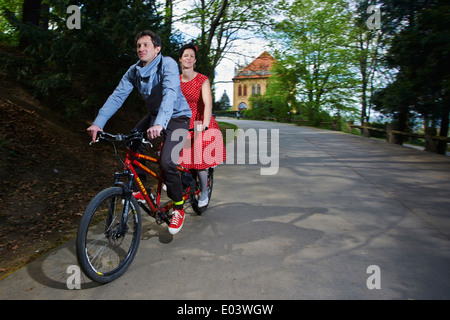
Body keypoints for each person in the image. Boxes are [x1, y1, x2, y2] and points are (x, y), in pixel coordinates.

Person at [86, 30, 192, 235]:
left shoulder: (167, 64)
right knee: (132, 143)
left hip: (178, 117)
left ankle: (178, 207)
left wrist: (160, 124)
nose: (141, 49)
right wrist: (98, 123)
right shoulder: (134, 71)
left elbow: (170, 93)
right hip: (155, 116)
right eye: (138, 46)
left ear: (157, 48)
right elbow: (117, 96)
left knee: (167, 161)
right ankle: (143, 191)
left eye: (146, 45)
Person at [177, 43, 226, 207]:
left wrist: (204, 124)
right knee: (170, 152)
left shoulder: (202, 80)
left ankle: (204, 192)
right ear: (180, 59)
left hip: (200, 120)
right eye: (185, 55)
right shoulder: (176, 80)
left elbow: (208, 104)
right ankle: (181, 183)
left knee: (199, 158)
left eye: (191, 56)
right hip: (183, 120)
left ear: (195, 60)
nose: (188, 58)